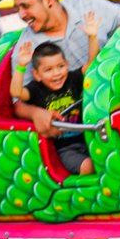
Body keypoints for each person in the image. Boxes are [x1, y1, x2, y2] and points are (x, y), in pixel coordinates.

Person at [14, 41, 92, 175]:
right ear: (37, 75)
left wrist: (92, 36)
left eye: (60, 66)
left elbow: (91, 66)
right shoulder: (36, 89)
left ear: (67, 65)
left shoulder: (73, 79)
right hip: (64, 148)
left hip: (87, 137)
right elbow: (16, 93)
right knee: (88, 166)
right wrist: (21, 66)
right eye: (48, 70)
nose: (56, 73)